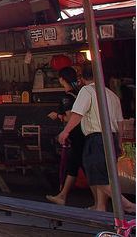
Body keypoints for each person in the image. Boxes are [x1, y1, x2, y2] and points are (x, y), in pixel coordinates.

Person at [57, 65, 136, 213]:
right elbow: (120, 123)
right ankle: (100, 206)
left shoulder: (86, 91)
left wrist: (65, 132)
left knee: (96, 175)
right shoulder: (112, 94)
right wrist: (119, 142)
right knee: (104, 175)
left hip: (97, 138)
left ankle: (126, 204)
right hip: (111, 138)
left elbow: (78, 113)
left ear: (81, 78)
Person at [46, 66, 89, 206]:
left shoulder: (67, 97)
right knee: (74, 165)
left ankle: (106, 198)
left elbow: (70, 117)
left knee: (80, 165)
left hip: (75, 134)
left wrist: (57, 116)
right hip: (83, 133)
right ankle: (63, 195)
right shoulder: (80, 94)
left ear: (62, 79)